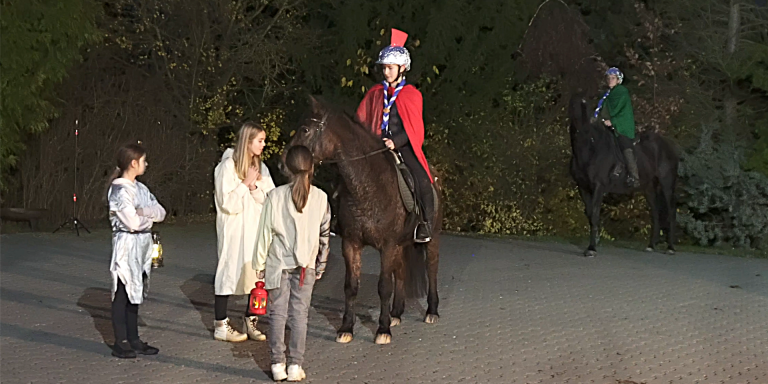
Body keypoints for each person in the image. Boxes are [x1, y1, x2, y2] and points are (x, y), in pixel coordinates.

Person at [254, 145, 331, 382]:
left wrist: (259, 263)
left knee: (277, 314)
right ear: (312, 167)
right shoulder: (320, 197)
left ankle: (277, 363)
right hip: (305, 265)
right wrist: (321, 265)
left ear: (287, 168)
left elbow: (264, 233)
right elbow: (324, 236)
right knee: (300, 315)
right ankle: (296, 365)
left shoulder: (275, 196)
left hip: (278, 263)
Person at [356, 28, 435, 243]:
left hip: (402, 145)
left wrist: (396, 141)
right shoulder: (375, 93)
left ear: (402, 68)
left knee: (421, 179)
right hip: (376, 143)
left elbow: (415, 128)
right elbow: (362, 118)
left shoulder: (411, 95)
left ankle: (426, 224)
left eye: (390, 68)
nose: (386, 72)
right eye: (384, 68)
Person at [213, 122, 275, 342]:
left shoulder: (261, 167)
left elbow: (270, 199)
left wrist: (253, 187)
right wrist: (244, 183)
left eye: (264, 140)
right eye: (260, 140)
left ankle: (251, 320)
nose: (263, 144)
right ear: (247, 141)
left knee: (256, 276)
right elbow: (227, 202)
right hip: (235, 231)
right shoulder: (227, 166)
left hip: (256, 230)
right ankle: (221, 324)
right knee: (228, 273)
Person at [107, 142, 166, 359]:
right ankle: (120, 340)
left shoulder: (141, 188)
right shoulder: (119, 190)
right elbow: (131, 222)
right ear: (133, 163)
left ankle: (134, 338)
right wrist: (146, 219)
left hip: (142, 247)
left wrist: (143, 212)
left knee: (136, 293)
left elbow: (161, 212)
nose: (146, 164)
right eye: (143, 161)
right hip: (126, 246)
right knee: (123, 292)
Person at [594, 67, 640, 187]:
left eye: (613, 78)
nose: (610, 80)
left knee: (624, 144)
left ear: (618, 80)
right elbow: (603, 110)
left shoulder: (622, 92)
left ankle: (634, 176)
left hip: (621, 126)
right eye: (608, 78)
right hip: (607, 125)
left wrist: (613, 121)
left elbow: (623, 112)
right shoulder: (606, 95)